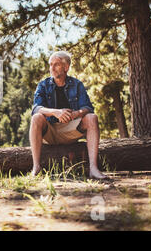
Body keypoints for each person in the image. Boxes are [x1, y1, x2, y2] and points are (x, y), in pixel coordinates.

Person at [30, 51, 107, 179]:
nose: (52, 68)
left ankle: (93, 168)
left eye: (56, 64)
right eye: (50, 64)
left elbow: (88, 108)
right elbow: (36, 108)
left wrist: (76, 114)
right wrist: (55, 112)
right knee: (36, 117)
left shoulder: (77, 85)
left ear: (66, 67)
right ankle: (36, 168)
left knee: (92, 118)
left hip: (70, 131)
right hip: (50, 131)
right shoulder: (43, 85)